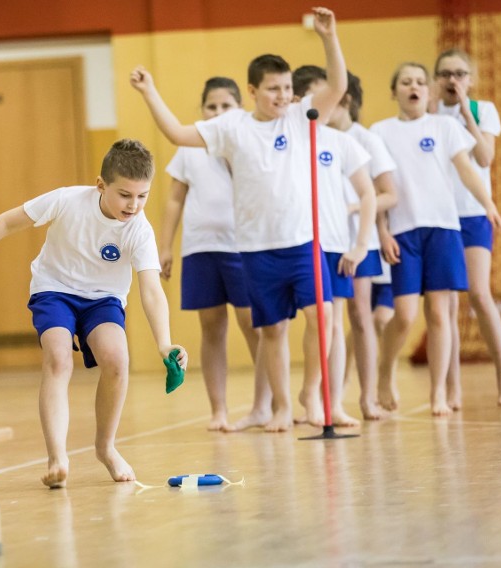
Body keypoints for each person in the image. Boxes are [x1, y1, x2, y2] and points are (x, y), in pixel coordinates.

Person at [131, 6, 346, 432]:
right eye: (273, 89)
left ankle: (311, 393)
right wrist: (149, 91)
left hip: (301, 241)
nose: (283, 95)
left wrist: (328, 38)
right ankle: (283, 406)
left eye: (287, 88)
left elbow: (337, 85)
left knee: (323, 316)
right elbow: (176, 133)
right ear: (252, 91)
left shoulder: (301, 118)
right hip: (256, 249)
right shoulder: (232, 127)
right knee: (273, 331)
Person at [0, 139, 187, 488]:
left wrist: (164, 343)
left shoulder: (139, 230)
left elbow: (151, 289)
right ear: (101, 185)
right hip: (55, 290)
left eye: (142, 196)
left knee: (116, 360)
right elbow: (6, 223)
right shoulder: (67, 200)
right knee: (58, 358)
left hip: (103, 299)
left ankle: (106, 447)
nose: (134, 205)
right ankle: (57, 457)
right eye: (125, 194)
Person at [370, 62, 501, 416]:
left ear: (428, 91)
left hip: (443, 229)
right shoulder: (380, 131)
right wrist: (382, 231)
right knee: (403, 315)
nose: (413, 87)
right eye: (405, 82)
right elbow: (378, 188)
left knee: (440, 314)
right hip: (403, 232)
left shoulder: (445, 127)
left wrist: (488, 204)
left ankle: (438, 395)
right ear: (394, 91)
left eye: (419, 82)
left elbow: (467, 168)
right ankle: (385, 373)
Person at [158, 77, 268, 432]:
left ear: (240, 109)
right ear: (202, 111)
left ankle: (264, 404)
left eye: (226, 107)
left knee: (253, 324)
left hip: (241, 245)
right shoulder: (190, 149)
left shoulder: (246, 143)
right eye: (211, 107)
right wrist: (165, 245)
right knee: (211, 327)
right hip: (200, 247)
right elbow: (175, 198)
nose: (218, 113)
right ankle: (218, 409)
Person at [301, 67, 400, 421]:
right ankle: (329, 397)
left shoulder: (361, 139)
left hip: (357, 240)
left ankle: (366, 396)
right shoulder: (301, 136)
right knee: (334, 318)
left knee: (359, 316)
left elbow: (386, 194)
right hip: (320, 239)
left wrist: (361, 217)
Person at [292, 65, 377, 427]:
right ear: (299, 101)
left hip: (335, 244)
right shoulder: (288, 140)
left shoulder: (341, 142)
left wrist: (360, 245)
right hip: (298, 242)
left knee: (334, 321)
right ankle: (300, 395)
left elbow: (368, 193)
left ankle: (334, 401)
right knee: (304, 324)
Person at [432, 48, 501, 408]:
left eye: (460, 73)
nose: (453, 80)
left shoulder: (484, 110)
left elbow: (484, 158)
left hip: (472, 213)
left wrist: (465, 109)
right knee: (446, 304)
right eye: (446, 73)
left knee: (479, 294)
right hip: (440, 215)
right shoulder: (427, 113)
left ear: (471, 78)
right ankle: (452, 388)